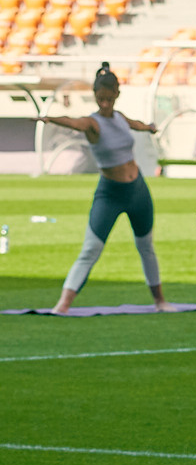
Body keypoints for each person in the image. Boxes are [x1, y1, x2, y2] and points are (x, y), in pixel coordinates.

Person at [39, 64, 168, 313]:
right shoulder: (92, 123)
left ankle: (160, 301)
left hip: (138, 190)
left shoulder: (119, 118)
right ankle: (63, 305)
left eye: (109, 99)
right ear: (95, 97)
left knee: (146, 246)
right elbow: (74, 122)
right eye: (101, 99)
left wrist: (149, 128)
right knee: (91, 248)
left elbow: (136, 125)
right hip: (111, 193)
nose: (106, 104)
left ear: (117, 95)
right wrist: (50, 119)